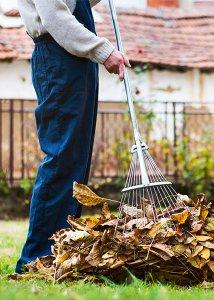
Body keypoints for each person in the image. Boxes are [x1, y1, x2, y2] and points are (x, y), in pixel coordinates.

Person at [15, 0, 130, 273]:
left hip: (75, 61)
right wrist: (104, 51)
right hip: (59, 57)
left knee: (75, 161)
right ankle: (37, 257)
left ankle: (61, 251)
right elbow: (56, 18)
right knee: (62, 158)